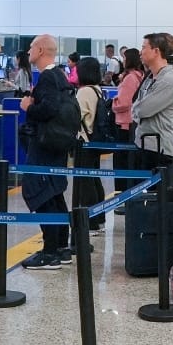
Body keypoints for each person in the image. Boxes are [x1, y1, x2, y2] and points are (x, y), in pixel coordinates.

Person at [19, 34, 72, 270]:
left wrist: (29, 107)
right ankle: (60, 247)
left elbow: (49, 108)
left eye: (31, 47)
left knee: (41, 193)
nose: (28, 51)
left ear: (40, 50)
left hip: (44, 146)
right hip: (55, 145)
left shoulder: (48, 77)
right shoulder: (59, 75)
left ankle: (50, 252)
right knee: (54, 193)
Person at [131, 32, 173, 169]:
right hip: (145, 145)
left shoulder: (168, 80)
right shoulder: (151, 77)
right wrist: (137, 109)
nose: (140, 52)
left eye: (144, 47)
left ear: (156, 51)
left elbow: (142, 110)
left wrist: (137, 109)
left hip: (158, 149)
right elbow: (135, 105)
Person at [73, 56, 106, 235]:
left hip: (84, 140)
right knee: (94, 179)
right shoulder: (97, 89)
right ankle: (99, 219)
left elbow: (76, 116)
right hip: (94, 140)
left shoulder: (84, 92)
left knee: (85, 183)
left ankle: (90, 223)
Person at [111, 47, 145, 192]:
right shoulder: (140, 76)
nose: (123, 61)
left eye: (125, 58)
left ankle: (121, 193)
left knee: (122, 162)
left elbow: (124, 102)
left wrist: (113, 103)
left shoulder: (130, 78)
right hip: (133, 123)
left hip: (124, 123)